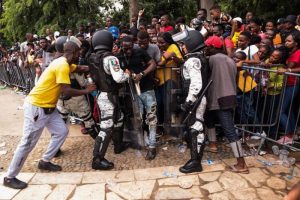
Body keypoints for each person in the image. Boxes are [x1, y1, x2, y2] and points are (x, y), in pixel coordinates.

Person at [3, 37, 96, 189]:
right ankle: (9, 177)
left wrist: (89, 67)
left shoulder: (63, 62)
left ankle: (45, 161)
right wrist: (86, 90)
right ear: (73, 52)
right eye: (79, 52)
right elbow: (66, 91)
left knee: (61, 132)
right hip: (37, 107)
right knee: (27, 143)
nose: (81, 54)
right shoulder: (61, 66)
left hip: (48, 108)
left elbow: (78, 68)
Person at [205, 36, 249, 173]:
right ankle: (213, 144)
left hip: (220, 97)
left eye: (207, 46)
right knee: (209, 119)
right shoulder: (229, 59)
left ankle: (241, 164)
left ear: (212, 47)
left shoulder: (213, 59)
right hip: (227, 95)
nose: (205, 49)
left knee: (229, 130)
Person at [88, 30, 130, 170]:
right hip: (109, 95)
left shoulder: (92, 57)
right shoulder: (111, 59)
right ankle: (97, 159)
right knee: (106, 126)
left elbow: (90, 78)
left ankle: (118, 146)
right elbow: (119, 78)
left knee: (119, 119)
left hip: (102, 94)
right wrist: (127, 74)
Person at [172, 30, 208, 173]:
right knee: (195, 128)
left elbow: (196, 84)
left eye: (184, 44)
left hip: (196, 99)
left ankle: (195, 162)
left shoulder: (193, 60)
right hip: (196, 99)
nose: (183, 47)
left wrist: (188, 102)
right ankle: (195, 159)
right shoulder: (197, 58)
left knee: (195, 129)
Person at [117, 36, 158, 160]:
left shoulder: (140, 51)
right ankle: (142, 141)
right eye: (125, 48)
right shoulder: (119, 55)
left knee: (152, 117)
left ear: (133, 45)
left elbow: (153, 64)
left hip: (147, 89)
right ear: (121, 46)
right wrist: (126, 73)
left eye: (130, 48)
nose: (128, 51)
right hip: (133, 92)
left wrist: (142, 74)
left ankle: (152, 146)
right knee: (138, 118)